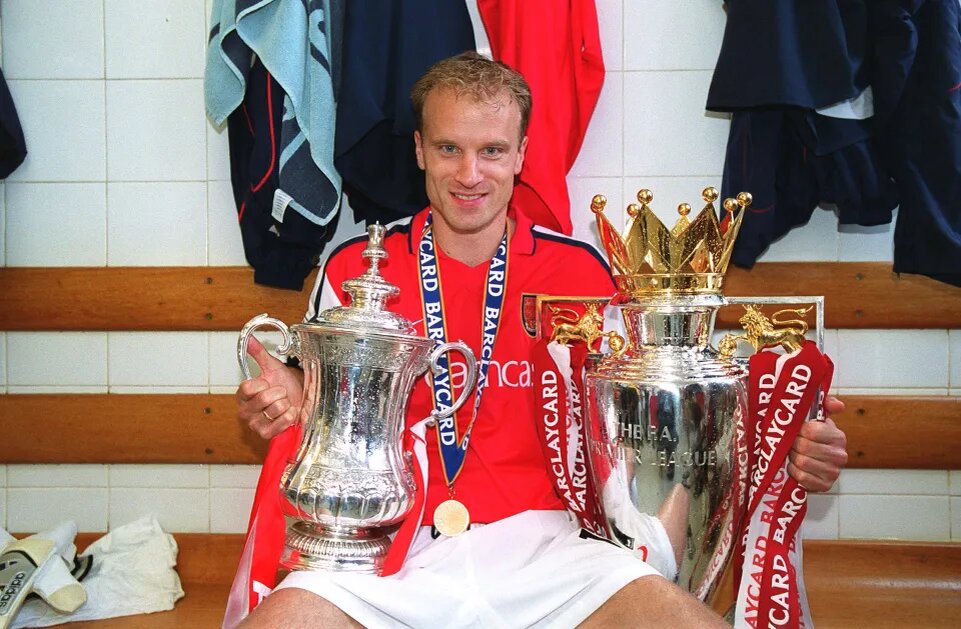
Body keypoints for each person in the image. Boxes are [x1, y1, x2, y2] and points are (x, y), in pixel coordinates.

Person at [234, 52, 849, 628]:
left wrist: (783, 444)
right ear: (419, 149)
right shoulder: (354, 269)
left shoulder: (581, 273)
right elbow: (312, 405)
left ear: (522, 154)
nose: (469, 174)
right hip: (389, 546)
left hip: (554, 549)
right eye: (448, 148)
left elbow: (662, 421)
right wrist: (289, 396)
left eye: (492, 150)